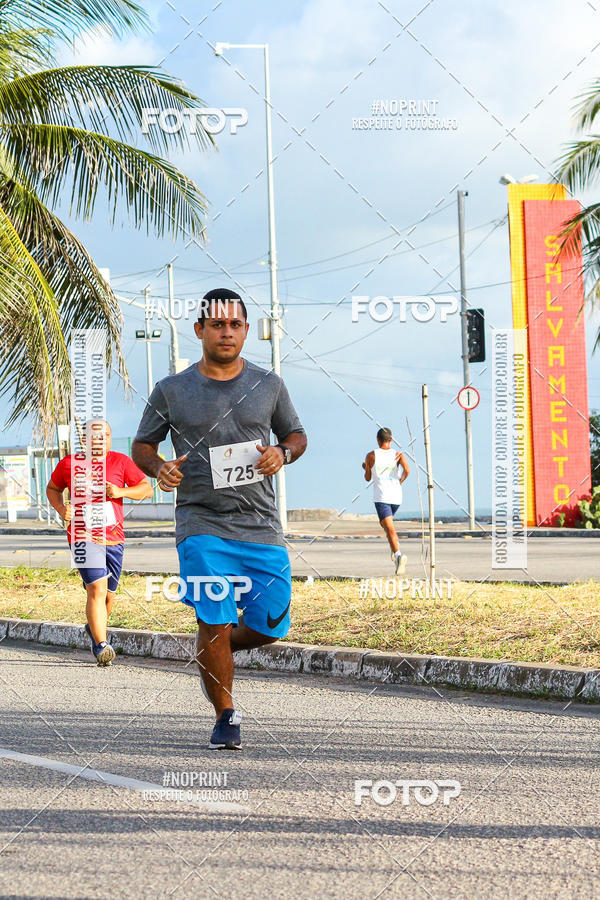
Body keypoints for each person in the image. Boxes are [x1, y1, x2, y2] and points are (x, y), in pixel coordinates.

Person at [132, 288, 307, 751]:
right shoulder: (171, 389)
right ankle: (226, 714)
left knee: (273, 623)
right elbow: (143, 446)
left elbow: (296, 434)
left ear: (246, 331)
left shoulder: (269, 384)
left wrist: (282, 452)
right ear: (200, 330)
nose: (226, 332)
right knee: (214, 615)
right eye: (217, 324)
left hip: (260, 524)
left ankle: (214, 645)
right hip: (201, 523)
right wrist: (159, 468)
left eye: (235, 325)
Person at [46, 419, 153, 665]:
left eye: (106, 435)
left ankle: (95, 631)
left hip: (113, 538)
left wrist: (121, 492)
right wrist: (62, 508)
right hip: (82, 536)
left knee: (108, 597)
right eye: (95, 436)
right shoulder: (69, 464)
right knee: (97, 588)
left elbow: (146, 489)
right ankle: (102, 645)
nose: (101, 440)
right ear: (84, 440)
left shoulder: (121, 461)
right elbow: (52, 488)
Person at [362, 427, 410, 574]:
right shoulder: (398, 454)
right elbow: (407, 471)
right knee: (385, 525)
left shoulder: (371, 455)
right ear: (391, 440)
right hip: (396, 497)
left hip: (382, 497)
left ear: (378, 440)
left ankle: (398, 556)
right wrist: (399, 482)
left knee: (389, 528)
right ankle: (394, 549)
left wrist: (366, 468)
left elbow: (368, 478)